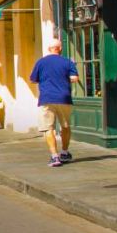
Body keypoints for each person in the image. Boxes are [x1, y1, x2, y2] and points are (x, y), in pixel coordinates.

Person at [30, 39, 80, 168]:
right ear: (60, 48)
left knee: (48, 128)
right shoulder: (67, 62)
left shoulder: (41, 62)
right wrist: (64, 78)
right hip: (64, 97)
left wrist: (45, 79)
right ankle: (64, 152)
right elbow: (74, 78)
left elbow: (33, 80)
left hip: (46, 98)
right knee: (65, 126)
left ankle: (54, 156)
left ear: (49, 49)